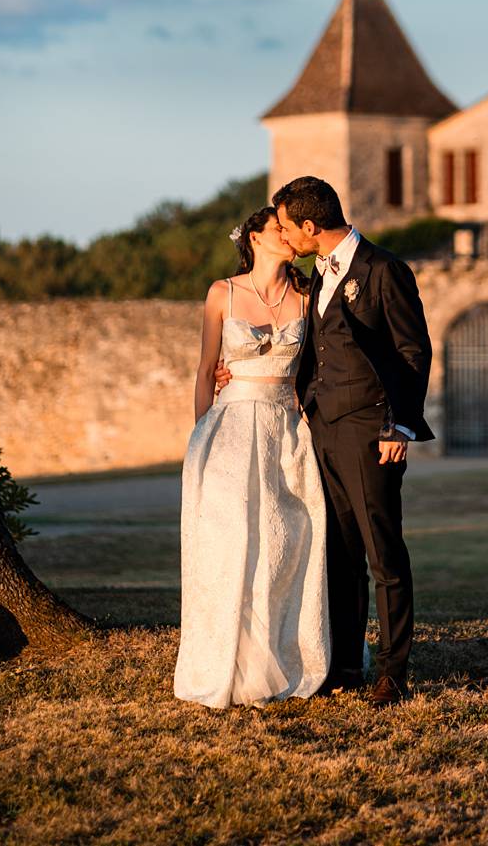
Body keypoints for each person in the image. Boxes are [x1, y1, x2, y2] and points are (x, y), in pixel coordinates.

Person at [214, 175, 434, 706]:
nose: (285, 236)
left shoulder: (384, 270)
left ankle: (393, 672)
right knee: (339, 553)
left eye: (288, 226)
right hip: (321, 432)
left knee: (384, 555)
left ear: (311, 226)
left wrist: (398, 426)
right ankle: (344, 667)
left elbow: (414, 353)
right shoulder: (313, 279)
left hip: (370, 432)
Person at [173, 206, 330, 709]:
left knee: (285, 546)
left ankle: (282, 656)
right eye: (278, 229)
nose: (288, 236)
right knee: (230, 541)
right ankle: (225, 660)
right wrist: (202, 433)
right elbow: (204, 370)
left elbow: (316, 368)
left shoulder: (308, 297)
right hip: (228, 430)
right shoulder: (223, 293)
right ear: (256, 239)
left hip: (286, 428)